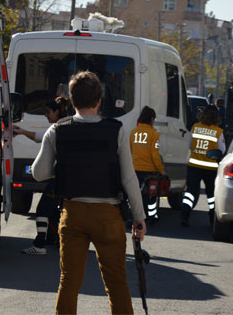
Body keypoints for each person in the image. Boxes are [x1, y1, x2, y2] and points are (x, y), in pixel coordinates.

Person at [31, 70, 146, 314]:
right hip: (108, 215)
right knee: (116, 284)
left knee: (69, 282)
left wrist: (63, 165)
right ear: (99, 99)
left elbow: (39, 174)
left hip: (73, 213)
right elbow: (128, 177)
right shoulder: (117, 130)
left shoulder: (57, 131)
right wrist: (139, 217)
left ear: (71, 100)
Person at [14, 97, 70, 255]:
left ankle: (39, 245)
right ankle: (54, 238)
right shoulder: (69, 126)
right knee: (54, 211)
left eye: (48, 112)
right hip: (69, 177)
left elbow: (42, 138)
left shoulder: (58, 128)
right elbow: (41, 135)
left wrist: (36, 171)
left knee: (42, 210)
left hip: (57, 177)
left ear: (57, 111)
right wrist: (23, 132)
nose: (46, 115)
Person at [181, 105, 226, 227]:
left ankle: (185, 215)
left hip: (194, 166)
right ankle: (212, 217)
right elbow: (221, 150)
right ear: (216, 117)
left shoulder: (195, 128)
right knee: (211, 195)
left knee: (190, 192)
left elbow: (190, 145)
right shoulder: (218, 132)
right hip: (210, 168)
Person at [129, 106, 165, 225]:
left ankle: (134, 216)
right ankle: (151, 217)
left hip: (135, 170)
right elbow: (155, 155)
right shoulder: (154, 134)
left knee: (136, 195)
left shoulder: (133, 133)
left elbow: (129, 152)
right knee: (152, 195)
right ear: (151, 119)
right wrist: (161, 170)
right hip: (149, 171)